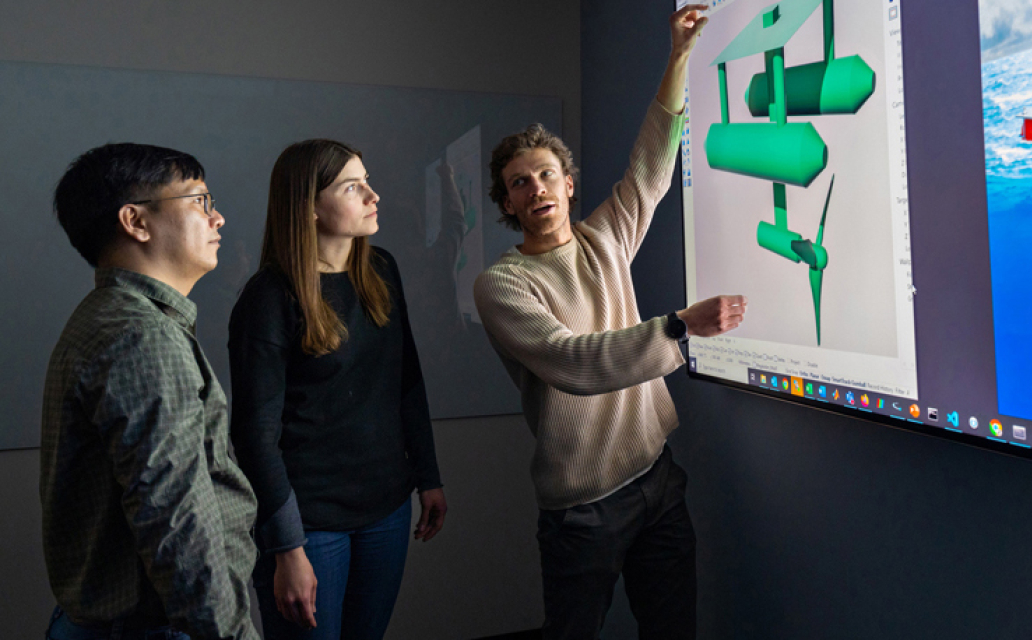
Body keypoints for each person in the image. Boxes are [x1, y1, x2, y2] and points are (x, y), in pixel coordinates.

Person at [474, 6, 744, 638]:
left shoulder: (604, 240)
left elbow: (651, 167)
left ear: (568, 184)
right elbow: (574, 362)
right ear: (508, 203)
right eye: (519, 183)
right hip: (581, 509)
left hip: (658, 480)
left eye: (545, 174)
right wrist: (678, 328)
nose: (535, 188)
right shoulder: (501, 284)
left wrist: (678, 56)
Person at [228, 139, 446, 640]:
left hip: (386, 508)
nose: (373, 195)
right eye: (353, 186)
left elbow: (406, 380)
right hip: (309, 522)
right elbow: (255, 435)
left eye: (367, 180)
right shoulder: (268, 298)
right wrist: (286, 546)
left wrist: (427, 475)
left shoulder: (382, 270)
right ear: (308, 208)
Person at [41, 143, 259, 640]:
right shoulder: (142, 335)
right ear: (136, 222)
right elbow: (176, 517)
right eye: (200, 201)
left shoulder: (112, 317)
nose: (218, 218)